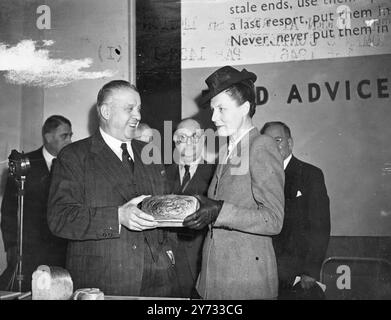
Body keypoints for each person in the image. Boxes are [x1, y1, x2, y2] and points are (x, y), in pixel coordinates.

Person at [47, 80, 179, 297]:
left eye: (138, 109)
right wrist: (116, 217)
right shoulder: (73, 156)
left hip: (158, 281)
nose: (137, 115)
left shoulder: (150, 153)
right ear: (106, 111)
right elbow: (59, 218)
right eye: (130, 109)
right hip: (104, 281)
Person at [183, 66, 285, 299]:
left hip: (245, 282)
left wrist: (219, 211)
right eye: (212, 109)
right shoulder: (229, 150)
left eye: (221, 109)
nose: (213, 117)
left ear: (245, 108)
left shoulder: (261, 145)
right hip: (213, 280)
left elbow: (274, 219)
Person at [0, 115, 72, 291]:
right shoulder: (24, 163)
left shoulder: (71, 165)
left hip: (62, 251)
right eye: (65, 136)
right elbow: (9, 210)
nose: (70, 141)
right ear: (48, 137)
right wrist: (11, 246)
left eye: (71, 135)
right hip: (30, 252)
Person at [260, 121, 331, 300]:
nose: (273, 146)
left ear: (289, 143)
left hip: (298, 274)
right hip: (266, 270)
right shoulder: (259, 178)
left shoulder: (310, 175)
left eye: (278, 140)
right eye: (267, 142)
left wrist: (311, 271)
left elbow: (320, 226)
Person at [166, 118, 216, 298]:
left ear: (203, 140)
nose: (188, 142)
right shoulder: (161, 173)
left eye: (195, 136)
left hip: (199, 262)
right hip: (166, 263)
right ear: (174, 140)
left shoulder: (215, 174)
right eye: (182, 137)